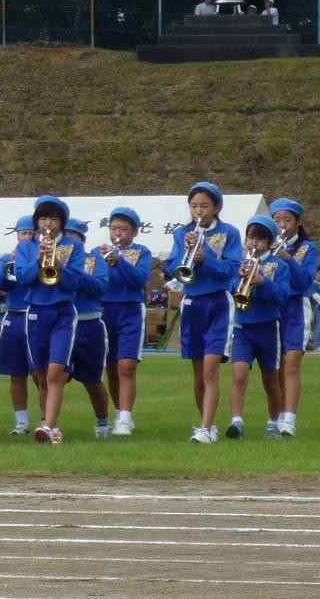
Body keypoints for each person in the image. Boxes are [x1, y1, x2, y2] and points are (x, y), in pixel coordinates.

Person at [165, 181, 242, 444]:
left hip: (218, 302)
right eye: (194, 206)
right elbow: (174, 267)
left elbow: (230, 271)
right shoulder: (182, 233)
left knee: (210, 369)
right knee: (198, 373)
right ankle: (206, 426)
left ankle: (206, 427)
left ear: (216, 207)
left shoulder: (229, 233)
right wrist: (186, 252)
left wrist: (204, 256)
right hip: (192, 302)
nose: (198, 211)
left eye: (204, 206)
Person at [13, 195, 85, 444]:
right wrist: (37, 260)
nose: (48, 224)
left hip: (63, 311)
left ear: (62, 222)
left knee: (56, 372)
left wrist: (60, 266)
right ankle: (46, 421)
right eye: (43, 218)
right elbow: (22, 279)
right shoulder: (26, 247)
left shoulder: (74, 246)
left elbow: (76, 283)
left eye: (54, 219)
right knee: (41, 374)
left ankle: (49, 425)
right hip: (35, 312)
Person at [225, 216, 290, 439]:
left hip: (268, 329)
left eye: (260, 239)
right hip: (243, 328)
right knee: (239, 375)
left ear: (270, 243)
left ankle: (273, 422)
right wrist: (241, 280)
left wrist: (263, 282)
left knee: (271, 381)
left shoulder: (279, 265)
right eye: (251, 238)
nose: (254, 243)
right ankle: (236, 421)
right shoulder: (240, 264)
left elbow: (282, 296)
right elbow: (233, 291)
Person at [100, 206, 153, 436]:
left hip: (130, 310)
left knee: (126, 366)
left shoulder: (142, 252)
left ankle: (125, 417)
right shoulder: (97, 251)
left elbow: (139, 280)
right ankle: (119, 412)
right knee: (111, 368)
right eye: (113, 229)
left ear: (134, 231)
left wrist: (119, 262)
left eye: (123, 229)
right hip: (105, 311)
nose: (117, 234)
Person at [269, 198, 318, 437]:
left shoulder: (308, 248)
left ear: (297, 222)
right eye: (277, 220)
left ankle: (289, 419)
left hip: (297, 307)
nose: (282, 225)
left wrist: (288, 258)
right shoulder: (268, 247)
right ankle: (277, 417)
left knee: (292, 363)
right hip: (274, 307)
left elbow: (304, 282)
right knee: (276, 367)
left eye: (287, 220)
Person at [65, 218, 112, 438]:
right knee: (50, 375)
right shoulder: (50, 258)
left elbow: (100, 288)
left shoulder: (94, 259)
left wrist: (75, 272)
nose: (68, 242)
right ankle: (48, 420)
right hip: (62, 322)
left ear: (82, 240)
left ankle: (102, 421)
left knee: (92, 379)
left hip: (89, 323)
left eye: (72, 236)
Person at [0, 215, 37, 435]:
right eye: (23, 234)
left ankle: (46, 418)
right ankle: (21, 422)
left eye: (31, 233)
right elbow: (0, 284)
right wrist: (9, 263)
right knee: (15, 372)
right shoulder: (6, 258)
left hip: (36, 313)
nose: (27, 238)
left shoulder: (43, 257)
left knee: (39, 371)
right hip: (14, 315)